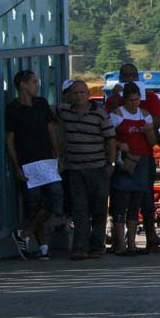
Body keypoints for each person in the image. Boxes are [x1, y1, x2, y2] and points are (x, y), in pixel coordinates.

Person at [54, 79, 116, 260]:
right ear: (69, 96)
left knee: (98, 209)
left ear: (88, 95)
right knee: (80, 209)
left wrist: (111, 164)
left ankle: (97, 245)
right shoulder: (65, 111)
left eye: (82, 93)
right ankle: (80, 247)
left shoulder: (100, 114)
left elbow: (111, 139)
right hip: (75, 169)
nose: (79, 96)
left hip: (98, 168)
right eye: (75, 93)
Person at [6, 69, 63, 261]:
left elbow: (50, 129)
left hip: (46, 158)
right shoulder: (13, 108)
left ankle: (25, 233)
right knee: (34, 204)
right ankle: (42, 246)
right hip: (28, 162)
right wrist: (16, 166)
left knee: (56, 200)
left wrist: (57, 154)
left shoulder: (41, 103)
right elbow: (10, 139)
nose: (36, 85)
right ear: (23, 84)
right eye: (33, 82)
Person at [109, 63, 160, 252]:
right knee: (120, 202)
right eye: (131, 100)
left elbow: (152, 140)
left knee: (137, 202)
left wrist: (149, 130)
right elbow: (106, 136)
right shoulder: (116, 113)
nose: (134, 103)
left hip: (141, 160)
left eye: (136, 99)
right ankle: (120, 243)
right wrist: (118, 145)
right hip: (123, 161)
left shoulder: (146, 112)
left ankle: (132, 243)